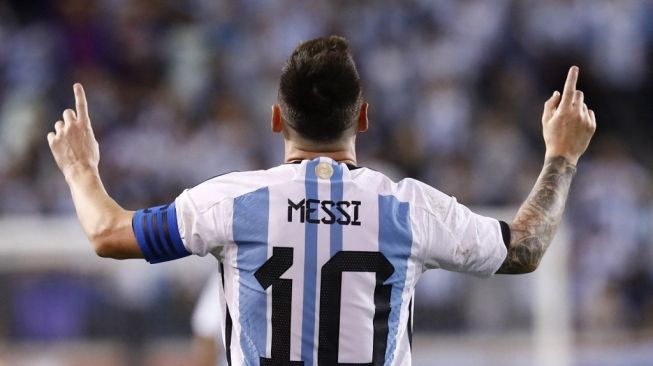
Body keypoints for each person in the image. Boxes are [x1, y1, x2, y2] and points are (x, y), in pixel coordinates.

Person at [47, 36, 595, 365]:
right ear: (362, 117)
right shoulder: (408, 208)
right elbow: (524, 249)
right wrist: (561, 155)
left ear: (276, 118)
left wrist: (80, 169)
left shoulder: (232, 201)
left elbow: (106, 233)